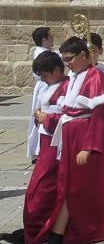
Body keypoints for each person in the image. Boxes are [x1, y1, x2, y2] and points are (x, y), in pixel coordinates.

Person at [28, 37, 104, 244]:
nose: (67, 64)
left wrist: (89, 147)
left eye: (70, 59)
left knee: (103, 189)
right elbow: (68, 112)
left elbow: (99, 114)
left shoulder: (96, 76)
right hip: (70, 138)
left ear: (84, 55)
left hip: (89, 138)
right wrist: (51, 120)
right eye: (65, 60)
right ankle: (56, 240)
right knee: (67, 188)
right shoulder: (74, 77)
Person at [21, 52, 68, 244]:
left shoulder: (68, 87)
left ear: (56, 70)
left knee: (45, 189)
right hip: (46, 142)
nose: (43, 80)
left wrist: (46, 119)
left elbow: (72, 118)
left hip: (58, 145)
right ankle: (35, 231)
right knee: (39, 187)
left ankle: (44, 232)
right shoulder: (49, 86)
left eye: (45, 75)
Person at [28, 26, 55, 161]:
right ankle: (38, 150)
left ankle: (38, 150)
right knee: (41, 118)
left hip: (44, 86)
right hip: (45, 87)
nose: (53, 38)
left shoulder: (42, 51)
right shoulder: (42, 54)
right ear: (44, 39)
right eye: (51, 36)